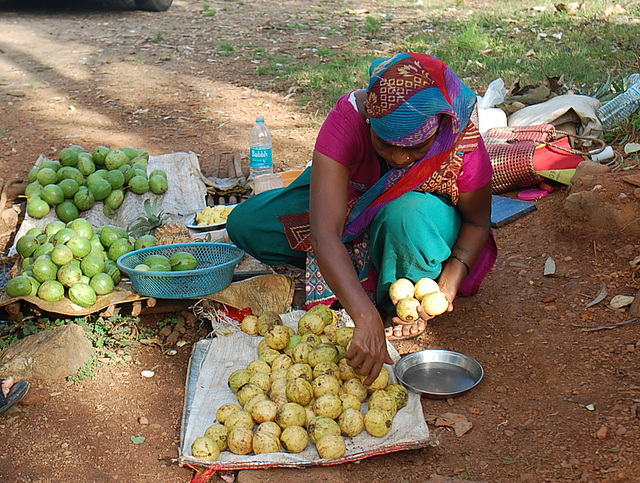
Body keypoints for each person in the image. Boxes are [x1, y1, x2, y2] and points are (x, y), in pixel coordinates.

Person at [227, 52, 497, 384]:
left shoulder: (459, 141)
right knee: (247, 223)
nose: (399, 157)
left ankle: (397, 287)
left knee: (403, 213)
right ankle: (365, 265)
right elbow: (324, 232)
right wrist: (364, 316)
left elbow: (477, 222)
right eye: (385, 143)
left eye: (416, 148)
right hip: (355, 200)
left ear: (438, 130)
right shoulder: (348, 120)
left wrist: (451, 279)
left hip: (417, 221)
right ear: (369, 116)